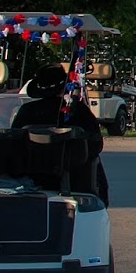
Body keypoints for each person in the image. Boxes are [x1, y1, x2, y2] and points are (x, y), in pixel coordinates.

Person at [15, 63, 110, 203]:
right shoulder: (78, 111)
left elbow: (15, 143)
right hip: (76, 179)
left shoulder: (27, 111)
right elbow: (96, 144)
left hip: (33, 179)